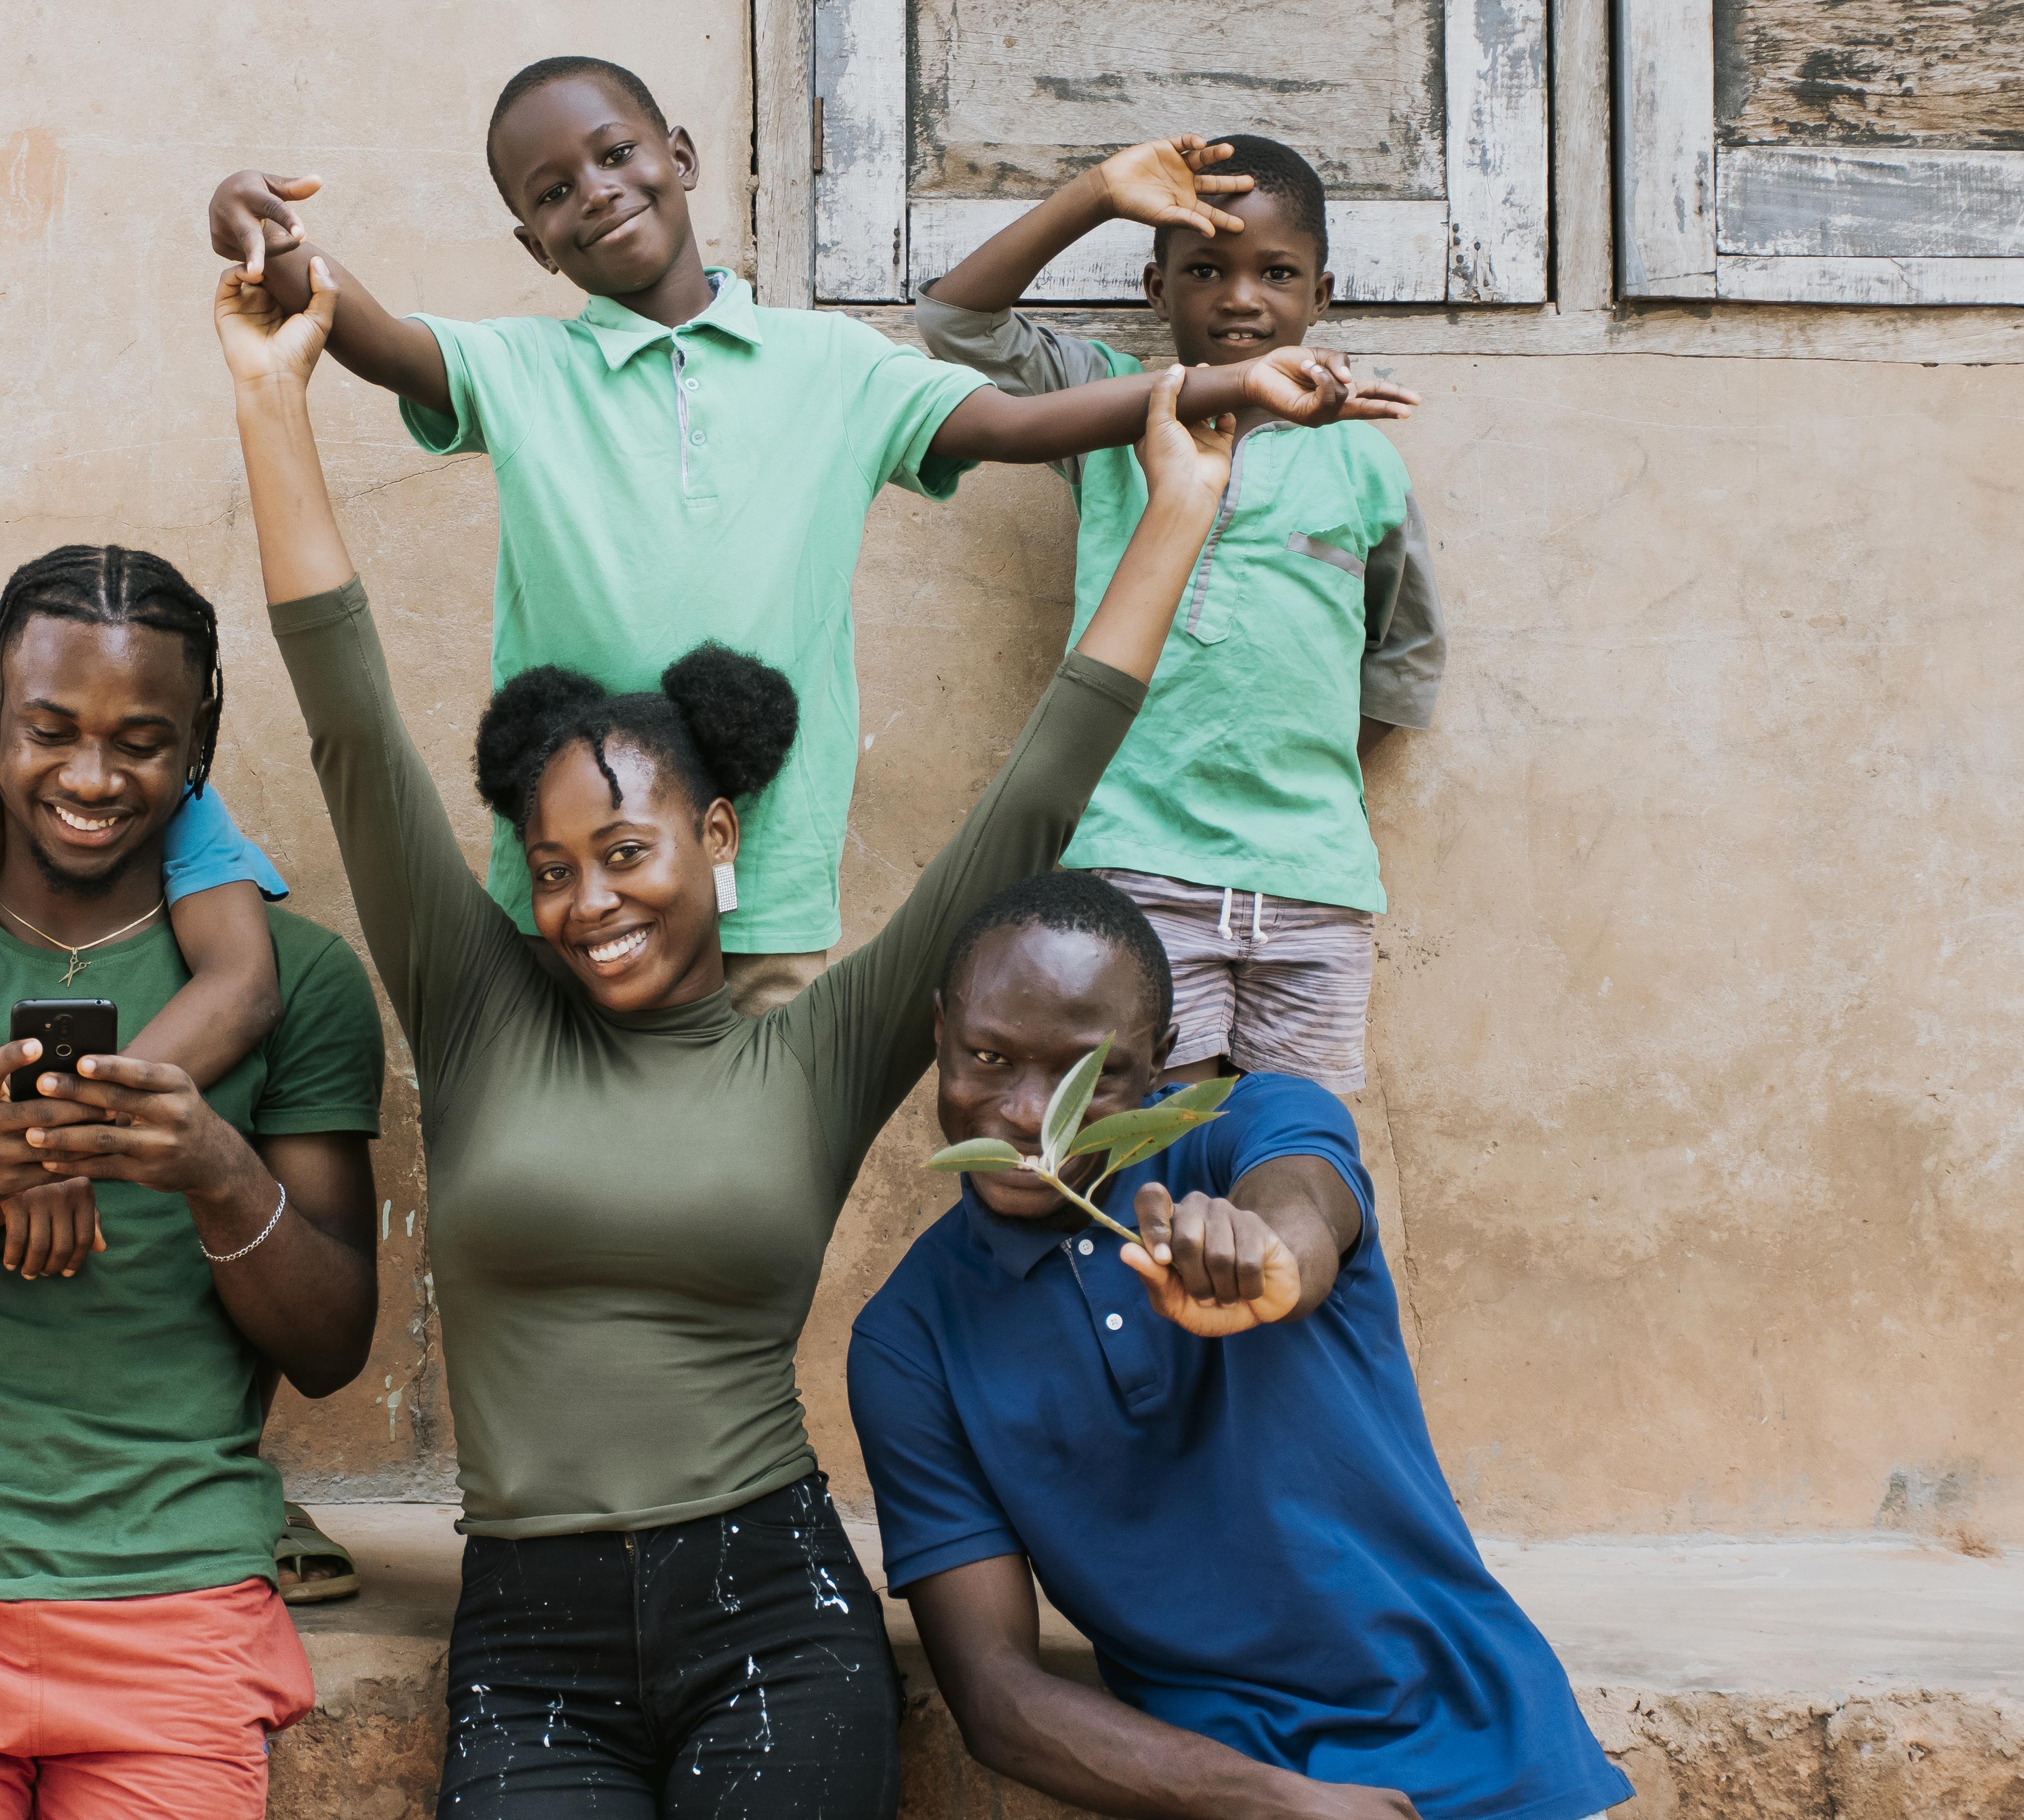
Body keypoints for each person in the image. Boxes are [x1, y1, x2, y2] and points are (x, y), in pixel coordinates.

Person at [214, 250, 1233, 1816]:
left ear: (718, 836)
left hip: (770, 1611)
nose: (586, 901)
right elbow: (346, 706)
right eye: (551, 867)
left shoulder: (815, 1053)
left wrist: (1173, 507)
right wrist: (273, 393)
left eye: (628, 852)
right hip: (531, 1643)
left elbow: (1036, 792)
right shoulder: (477, 1009)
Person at [209, 65, 1416, 1013]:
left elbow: (1016, 419)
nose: (596, 190)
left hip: (768, 898)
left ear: (678, 158)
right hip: (568, 895)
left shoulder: (833, 365)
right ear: (535, 244)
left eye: (617, 154)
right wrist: (262, 234)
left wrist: (1230, 387)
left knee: (748, 1209)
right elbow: (364, 333)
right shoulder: (518, 367)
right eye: (553, 190)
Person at [0, 545, 387, 1817]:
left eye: (142, 740)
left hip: (178, 1610)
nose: (91, 778)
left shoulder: (297, 981)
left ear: (200, 740)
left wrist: (213, 1170)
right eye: (47, 731)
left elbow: (329, 1346)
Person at [845, 870, 1633, 1820]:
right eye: (987, 1055)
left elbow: (1303, 1202)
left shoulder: (1248, 1128)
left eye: (1082, 1075)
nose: (1025, 1113)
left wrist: (1265, 1257)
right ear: (939, 1030)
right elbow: (998, 1696)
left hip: (1498, 1755)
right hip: (1235, 1788)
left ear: (1159, 1064)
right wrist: (1277, 1803)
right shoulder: (908, 1341)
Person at [919, 135, 1447, 1092]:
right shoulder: (1114, 408)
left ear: (1321, 295)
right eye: (1206, 268)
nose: (1241, 296)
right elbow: (957, 320)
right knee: (1158, 1147)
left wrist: (1279, 762)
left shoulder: (1367, 458)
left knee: (1298, 1148)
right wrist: (1093, 195)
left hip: (1313, 882)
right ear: (1158, 291)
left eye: (1277, 273)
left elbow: (1402, 659)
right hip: (1136, 871)